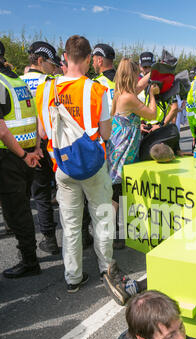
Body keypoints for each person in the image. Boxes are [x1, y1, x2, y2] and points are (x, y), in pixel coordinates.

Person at [35, 35, 127, 295]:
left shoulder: (45, 90)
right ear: (89, 59)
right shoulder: (98, 90)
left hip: (62, 166)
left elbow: (43, 133)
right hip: (94, 165)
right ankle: (106, 267)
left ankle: (73, 277)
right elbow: (107, 134)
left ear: (64, 57)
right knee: (102, 216)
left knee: (71, 223)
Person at [105, 58, 158, 250]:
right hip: (123, 149)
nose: (140, 77)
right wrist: (152, 95)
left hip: (120, 145)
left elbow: (141, 84)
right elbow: (152, 114)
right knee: (116, 193)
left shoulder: (122, 92)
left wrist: (157, 71)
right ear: (132, 74)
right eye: (138, 73)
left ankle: (113, 234)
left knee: (118, 192)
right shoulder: (128, 97)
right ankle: (110, 236)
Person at [0, 40, 42, 278]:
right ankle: (29, 257)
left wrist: (25, 155)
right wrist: (34, 149)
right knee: (22, 207)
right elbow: (34, 117)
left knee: (18, 213)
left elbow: (2, 130)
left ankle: (29, 261)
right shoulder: (17, 80)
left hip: (11, 156)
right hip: (26, 154)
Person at [21, 41, 59, 255]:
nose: (53, 68)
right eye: (51, 63)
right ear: (40, 60)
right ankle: (81, 236)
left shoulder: (17, 82)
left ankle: (49, 240)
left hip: (25, 146)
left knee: (39, 194)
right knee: (63, 190)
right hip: (52, 144)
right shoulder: (54, 83)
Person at [92, 44, 116, 115]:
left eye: (93, 61)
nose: (92, 64)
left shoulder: (96, 83)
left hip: (104, 125)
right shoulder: (124, 79)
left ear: (99, 61)